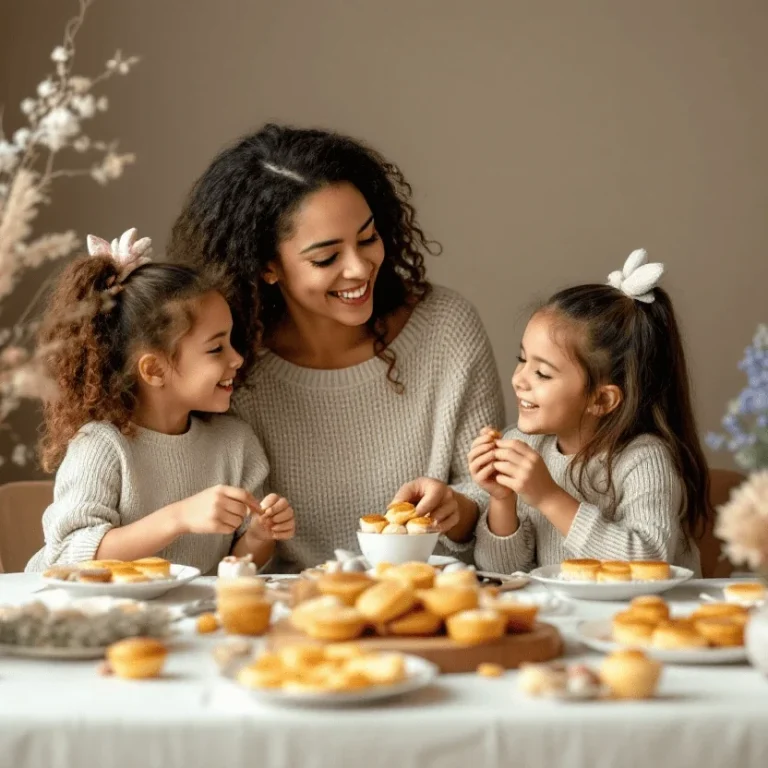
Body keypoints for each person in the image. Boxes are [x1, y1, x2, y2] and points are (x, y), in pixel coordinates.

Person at [168, 124, 505, 572]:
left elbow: (496, 500)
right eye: (326, 258)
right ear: (267, 267)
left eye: (368, 238)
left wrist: (457, 509)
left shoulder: (447, 327)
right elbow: (215, 544)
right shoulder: (231, 366)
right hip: (290, 619)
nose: (359, 267)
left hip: (433, 605)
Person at [26, 229, 295, 574]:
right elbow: (69, 555)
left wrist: (259, 536)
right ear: (154, 369)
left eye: (231, 341)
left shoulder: (235, 444)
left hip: (178, 618)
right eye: (216, 348)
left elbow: (236, 568)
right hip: (81, 616)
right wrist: (179, 517)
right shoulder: (102, 446)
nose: (238, 359)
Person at [469, 249, 708, 575]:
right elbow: (504, 571)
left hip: (642, 620)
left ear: (602, 400)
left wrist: (549, 498)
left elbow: (650, 562)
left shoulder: (643, 460)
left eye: (542, 373)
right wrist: (502, 499)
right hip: (567, 620)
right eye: (522, 359)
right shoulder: (526, 446)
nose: (519, 379)